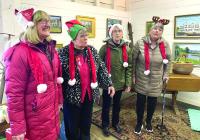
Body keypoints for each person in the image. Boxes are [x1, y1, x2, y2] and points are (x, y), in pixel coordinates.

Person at [3, 8, 63, 140]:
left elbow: (55, 79)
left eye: (48, 21)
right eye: (42, 21)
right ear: (32, 26)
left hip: (51, 115)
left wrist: (59, 101)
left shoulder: (50, 49)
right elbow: (14, 93)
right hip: (35, 120)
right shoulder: (20, 52)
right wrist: (18, 127)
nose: (47, 24)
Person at [58, 19, 115, 140]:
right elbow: (58, 77)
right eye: (82, 35)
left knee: (85, 126)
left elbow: (101, 68)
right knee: (72, 128)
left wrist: (109, 83)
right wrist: (58, 99)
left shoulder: (92, 50)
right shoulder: (63, 52)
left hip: (88, 96)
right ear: (74, 37)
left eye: (86, 35)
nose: (86, 38)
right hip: (71, 98)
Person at [132, 16, 171, 135]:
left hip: (156, 80)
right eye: (155, 28)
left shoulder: (165, 44)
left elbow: (168, 61)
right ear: (150, 30)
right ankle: (139, 122)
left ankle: (148, 121)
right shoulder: (140, 43)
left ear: (161, 32)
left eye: (160, 29)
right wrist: (133, 75)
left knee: (152, 103)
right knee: (140, 103)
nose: (157, 31)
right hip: (142, 79)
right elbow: (133, 60)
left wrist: (166, 74)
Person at [99, 24, 133, 136]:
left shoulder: (127, 49)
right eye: (115, 31)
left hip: (120, 83)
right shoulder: (104, 49)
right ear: (111, 33)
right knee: (106, 105)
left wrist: (128, 83)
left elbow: (129, 68)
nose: (117, 33)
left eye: (119, 31)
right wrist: (104, 81)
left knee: (117, 105)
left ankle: (115, 123)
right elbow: (99, 66)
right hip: (108, 84)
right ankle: (105, 124)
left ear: (122, 33)